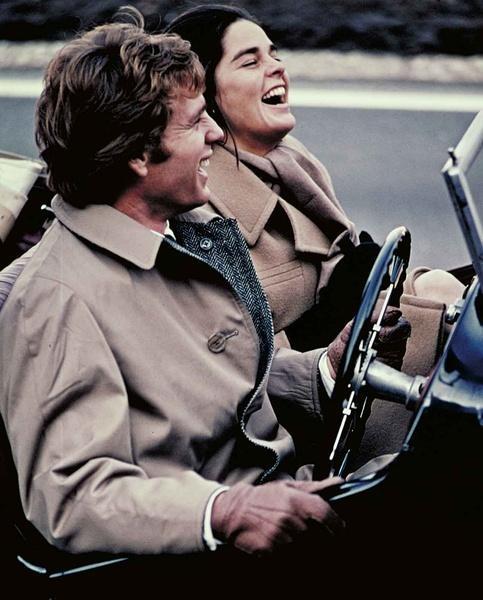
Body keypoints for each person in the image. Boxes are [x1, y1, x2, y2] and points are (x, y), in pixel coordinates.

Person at [0, 6, 410, 571]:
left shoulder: (188, 230)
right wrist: (226, 511)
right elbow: (72, 495)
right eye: (195, 123)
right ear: (139, 155)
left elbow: (223, 384)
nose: (216, 133)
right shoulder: (55, 298)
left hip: (291, 490)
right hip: (213, 557)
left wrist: (327, 368)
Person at [165, 4, 465, 465]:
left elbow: (349, 267)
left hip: (365, 347)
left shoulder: (291, 161)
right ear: (203, 94)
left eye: (274, 54)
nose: (276, 67)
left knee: (452, 292)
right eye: (250, 61)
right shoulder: (198, 207)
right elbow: (256, 369)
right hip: (322, 406)